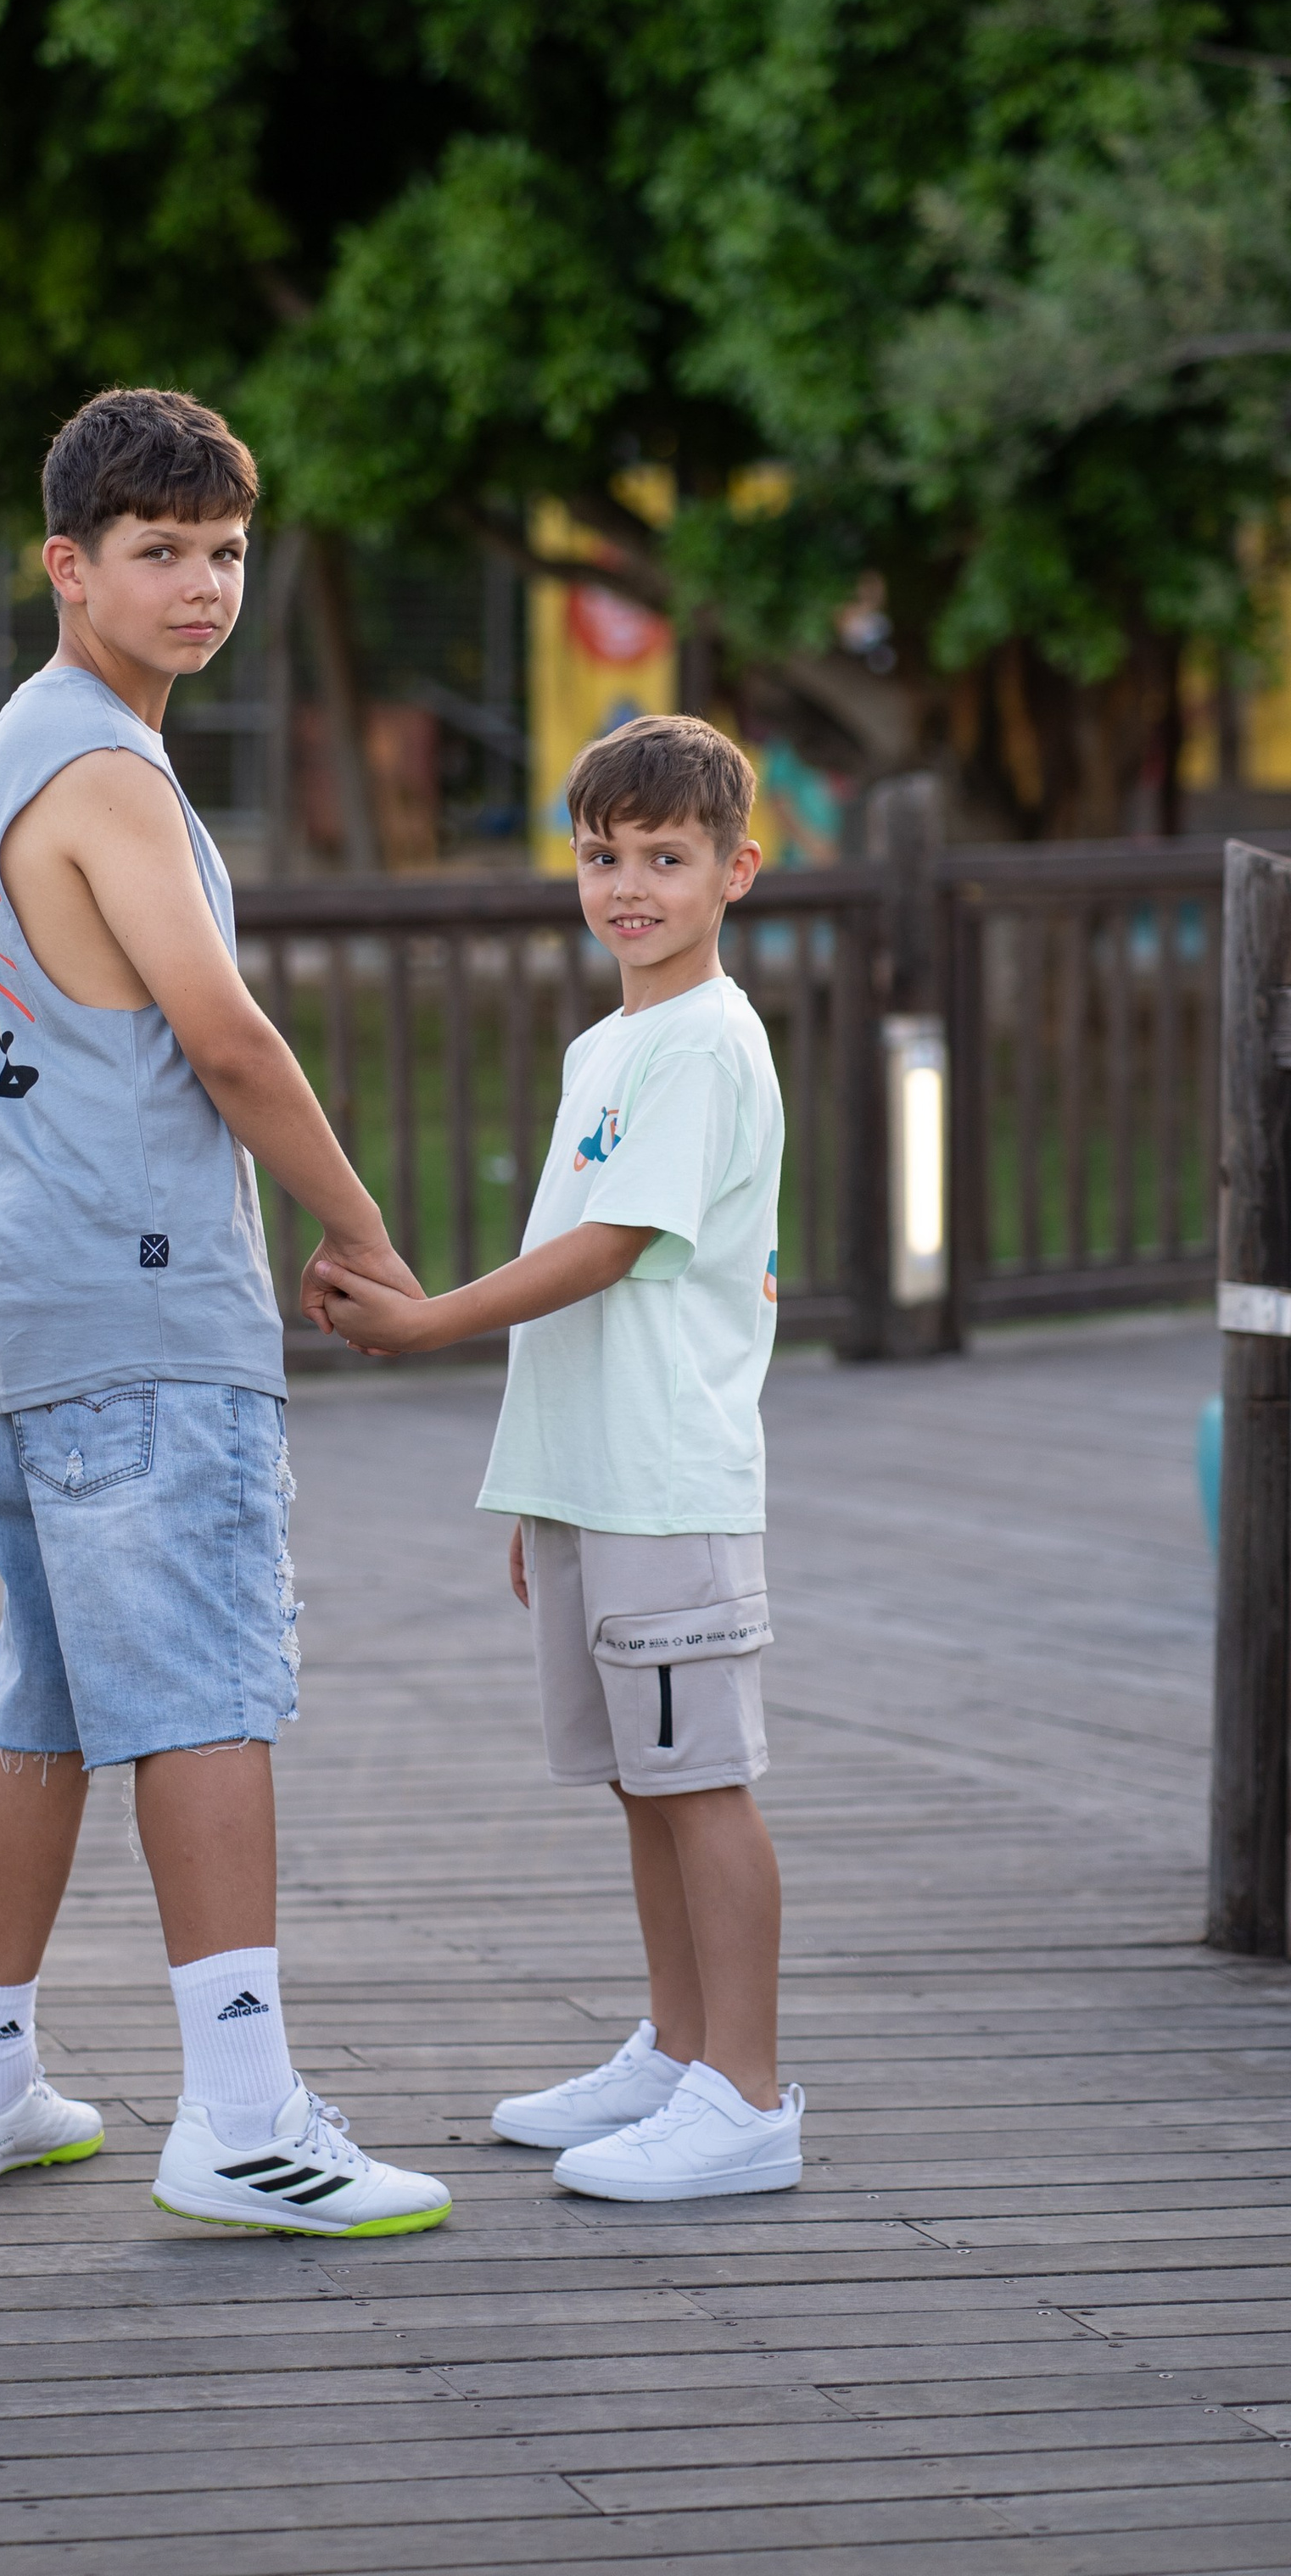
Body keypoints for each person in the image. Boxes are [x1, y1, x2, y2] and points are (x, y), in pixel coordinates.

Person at [0, 386, 451, 2240]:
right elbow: (223, 1034)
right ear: (67, 566)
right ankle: (239, 2115)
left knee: (43, 1704)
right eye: (159, 553)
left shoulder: (17, 747)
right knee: (206, 1693)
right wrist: (368, 1234)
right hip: (143, 1301)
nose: (202, 586)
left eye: (223, 551)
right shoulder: (105, 774)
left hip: (42, 1297)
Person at [321, 711, 802, 2203]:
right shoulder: (613, 1041)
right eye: (605, 856)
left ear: (740, 869)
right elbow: (576, 1262)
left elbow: (608, 1250)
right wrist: (542, 1488)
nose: (631, 886)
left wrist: (424, 1324)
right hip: (598, 1478)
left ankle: (747, 2092)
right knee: (642, 1779)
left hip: (668, 1475)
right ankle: (676, 2051)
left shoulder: (708, 1044)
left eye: (668, 856)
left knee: (703, 1780)